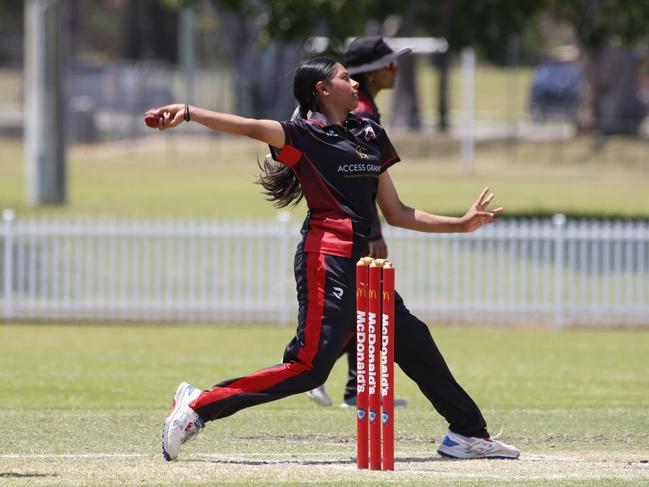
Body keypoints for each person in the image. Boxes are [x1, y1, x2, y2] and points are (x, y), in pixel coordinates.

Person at [148, 56, 520, 462]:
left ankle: (467, 433)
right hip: (326, 258)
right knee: (309, 367)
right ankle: (200, 405)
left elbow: (396, 212)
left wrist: (461, 224)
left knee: (413, 340)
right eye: (345, 78)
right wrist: (187, 113)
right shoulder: (303, 135)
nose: (355, 83)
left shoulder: (370, 132)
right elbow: (246, 125)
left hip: (362, 265)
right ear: (323, 90)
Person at [305, 36, 410, 408]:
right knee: (359, 308)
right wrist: (374, 231)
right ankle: (326, 375)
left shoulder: (363, 106)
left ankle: (356, 386)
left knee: (365, 307)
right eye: (390, 63)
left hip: (353, 227)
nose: (395, 70)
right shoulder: (360, 111)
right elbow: (358, 180)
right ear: (371, 71)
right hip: (349, 231)